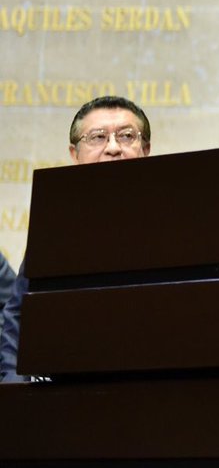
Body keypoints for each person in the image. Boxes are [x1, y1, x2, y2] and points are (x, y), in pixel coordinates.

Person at [1, 96, 152, 382]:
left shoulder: (174, 224)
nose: (113, 148)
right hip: (65, 392)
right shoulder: (55, 228)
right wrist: (12, 387)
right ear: (75, 154)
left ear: (145, 150)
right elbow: (19, 317)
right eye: (98, 137)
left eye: (126, 136)